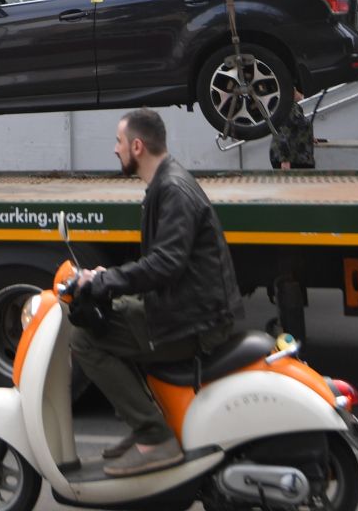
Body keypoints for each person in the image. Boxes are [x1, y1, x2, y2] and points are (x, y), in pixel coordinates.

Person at [73, 109, 244, 477]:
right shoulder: (166, 183)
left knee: (86, 339)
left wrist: (103, 283)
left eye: (119, 142)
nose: (114, 150)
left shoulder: (173, 189)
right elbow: (162, 260)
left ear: (137, 146)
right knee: (113, 315)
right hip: (187, 306)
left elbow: (166, 264)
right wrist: (109, 276)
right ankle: (143, 427)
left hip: (195, 321)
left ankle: (154, 437)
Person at [269, 90, 315, 170]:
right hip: (292, 158)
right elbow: (281, 134)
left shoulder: (295, 107)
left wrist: (308, 137)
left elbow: (298, 127)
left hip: (300, 157)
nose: (302, 94)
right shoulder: (286, 108)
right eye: (299, 91)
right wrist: (285, 160)